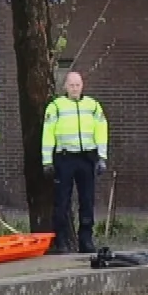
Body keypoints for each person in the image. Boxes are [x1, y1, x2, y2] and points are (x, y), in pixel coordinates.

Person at [42, 71, 108, 254]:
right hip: (64, 158)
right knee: (62, 201)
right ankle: (61, 240)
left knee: (87, 200)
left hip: (87, 157)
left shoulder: (93, 106)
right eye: (71, 85)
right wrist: (47, 161)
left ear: (82, 86)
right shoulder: (56, 107)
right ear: (65, 86)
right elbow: (47, 135)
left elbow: (101, 131)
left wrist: (102, 157)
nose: (74, 88)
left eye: (77, 85)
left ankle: (86, 240)